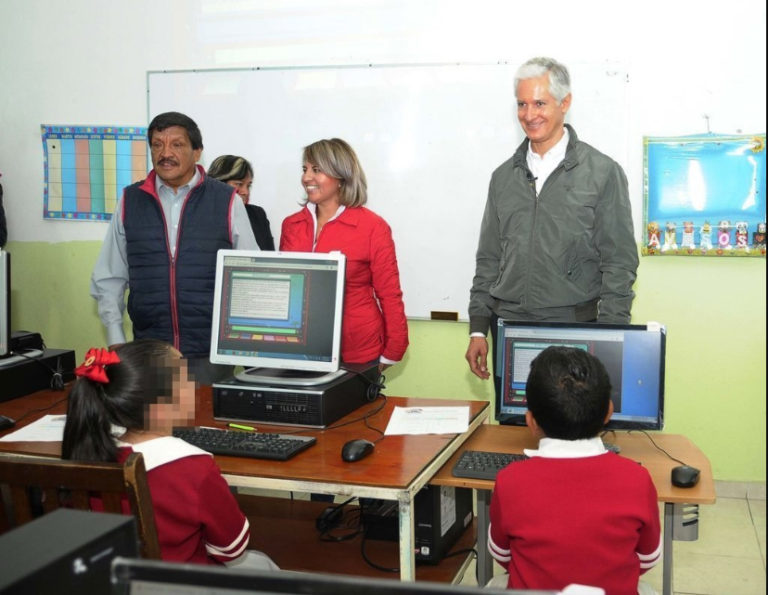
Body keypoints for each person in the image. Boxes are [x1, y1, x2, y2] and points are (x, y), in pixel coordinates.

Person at [466, 57, 639, 388]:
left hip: (573, 331)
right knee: (515, 432)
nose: (529, 115)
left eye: (540, 103)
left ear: (565, 103)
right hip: (509, 330)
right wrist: (478, 327)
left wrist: (611, 335)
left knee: (572, 429)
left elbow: (619, 262)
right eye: (522, 104)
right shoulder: (502, 177)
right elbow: (488, 259)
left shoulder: (602, 173)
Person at [62, 339, 278, 570]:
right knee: (265, 564)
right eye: (185, 377)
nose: (193, 384)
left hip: (112, 579)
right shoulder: (194, 467)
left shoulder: (91, 450)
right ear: (161, 406)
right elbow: (232, 550)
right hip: (178, 584)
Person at [90, 112, 258, 385]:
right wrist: (115, 337)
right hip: (149, 351)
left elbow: (251, 277)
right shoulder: (130, 200)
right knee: (151, 425)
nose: (165, 153)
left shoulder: (226, 201)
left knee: (206, 426)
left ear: (197, 152)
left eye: (177, 145)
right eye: (157, 144)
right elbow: (110, 275)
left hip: (210, 354)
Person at [487, 346, 661, 593]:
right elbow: (648, 558)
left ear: (531, 422)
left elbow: (502, 554)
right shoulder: (637, 479)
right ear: (608, 412)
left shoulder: (509, 481)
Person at [280, 138, 408, 372]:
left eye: (317, 170)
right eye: (305, 169)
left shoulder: (372, 227)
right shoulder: (292, 225)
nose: (307, 177)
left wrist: (394, 351)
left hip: (358, 352)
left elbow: (389, 294)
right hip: (300, 350)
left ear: (341, 176)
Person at [208, 154, 275, 251]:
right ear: (219, 183)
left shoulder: (257, 215)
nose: (246, 192)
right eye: (239, 184)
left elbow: (268, 259)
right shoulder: (202, 215)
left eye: (248, 186)